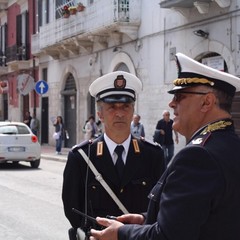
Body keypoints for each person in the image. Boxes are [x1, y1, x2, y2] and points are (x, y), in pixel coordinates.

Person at [89, 53, 240, 240]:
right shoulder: (228, 144)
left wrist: (121, 233)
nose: (172, 103)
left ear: (207, 101)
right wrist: (146, 219)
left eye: (180, 96)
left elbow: (167, 236)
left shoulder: (198, 157)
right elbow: (201, 217)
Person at [62, 71, 165, 240]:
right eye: (112, 107)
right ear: (100, 114)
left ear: (133, 111)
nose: (120, 113)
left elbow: (161, 207)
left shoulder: (153, 155)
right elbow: (72, 209)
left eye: (125, 106)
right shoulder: (80, 157)